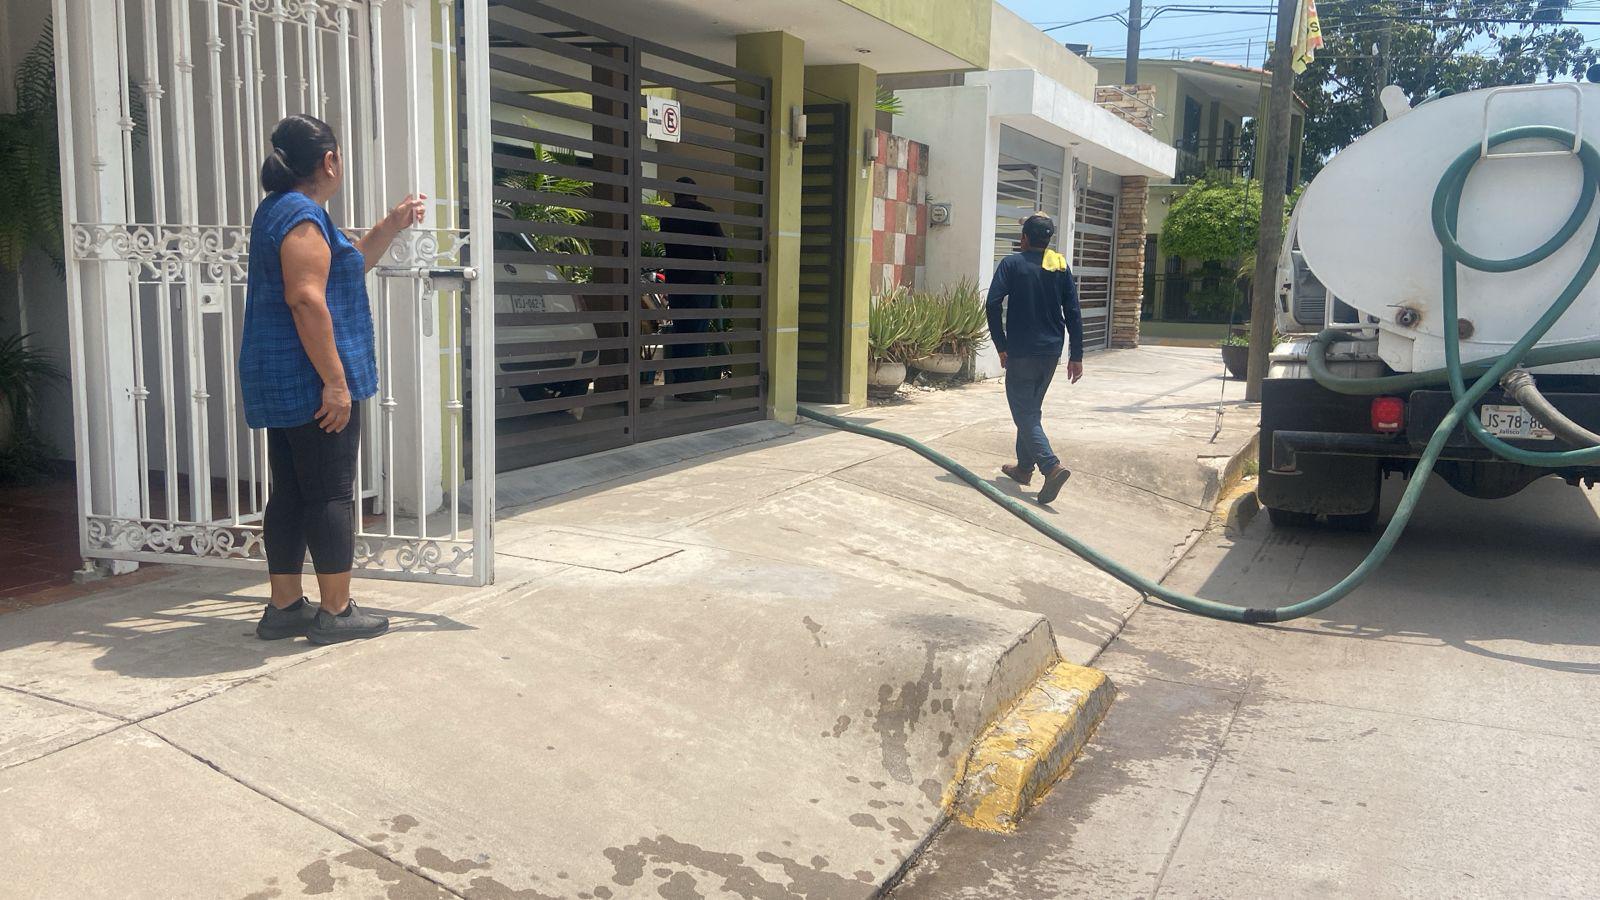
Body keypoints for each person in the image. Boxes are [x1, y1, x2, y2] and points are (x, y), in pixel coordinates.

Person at [239, 114, 425, 644]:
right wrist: (336, 383)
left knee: (293, 492)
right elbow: (305, 298)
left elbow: (345, 265)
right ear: (329, 161)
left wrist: (391, 224)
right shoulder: (301, 217)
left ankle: (285, 608)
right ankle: (336, 612)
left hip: (287, 375)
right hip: (309, 379)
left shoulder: (287, 211)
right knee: (329, 493)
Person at [986, 212, 1085, 506]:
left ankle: (1050, 466)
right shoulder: (1059, 266)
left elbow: (992, 304)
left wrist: (1001, 345)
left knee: (1024, 412)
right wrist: (1076, 355)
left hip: (1021, 351)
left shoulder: (1011, 264)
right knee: (1031, 410)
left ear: (1024, 239)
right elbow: (1074, 312)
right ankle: (1023, 468)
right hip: (1051, 352)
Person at [658, 176, 727, 399]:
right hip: (700, 281)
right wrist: (721, 268)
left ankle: (679, 384)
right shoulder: (705, 212)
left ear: (676, 194)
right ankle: (693, 388)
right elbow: (721, 244)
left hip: (677, 280)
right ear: (695, 194)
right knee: (697, 332)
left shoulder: (668, 216)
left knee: (681, 330)